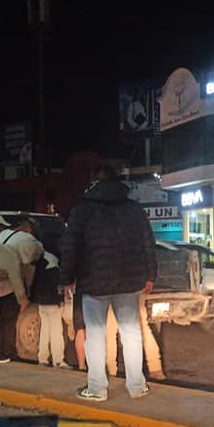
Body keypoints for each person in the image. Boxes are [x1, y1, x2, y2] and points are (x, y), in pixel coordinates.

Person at [60, 165, 157, 402]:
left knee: (95, 334)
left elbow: (70, 247)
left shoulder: (82, 210)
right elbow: (148, 243)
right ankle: (136, 386)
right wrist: (150, 275)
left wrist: (66, 279)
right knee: (131, 332)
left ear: (94, 183)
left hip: (94, 282)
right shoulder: (134, 210)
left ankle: (97, 388)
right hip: (129, 281)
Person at [0, 219, 43, 360]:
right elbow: (29, 264)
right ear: (29, 230)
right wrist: (26, 295)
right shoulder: (30, 241)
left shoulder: (4, 235)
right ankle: (9, 352)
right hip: (9, 285)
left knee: (0, 319)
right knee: (10, 319)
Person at [32, 231, 70, 368]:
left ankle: (42, 358)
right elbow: (57, 282)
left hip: (41, 300)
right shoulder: (53, 261)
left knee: (45, 330)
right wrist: (60, 297)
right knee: (56, 330)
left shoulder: (41, 259)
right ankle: (58, 360)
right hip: (52, 300)